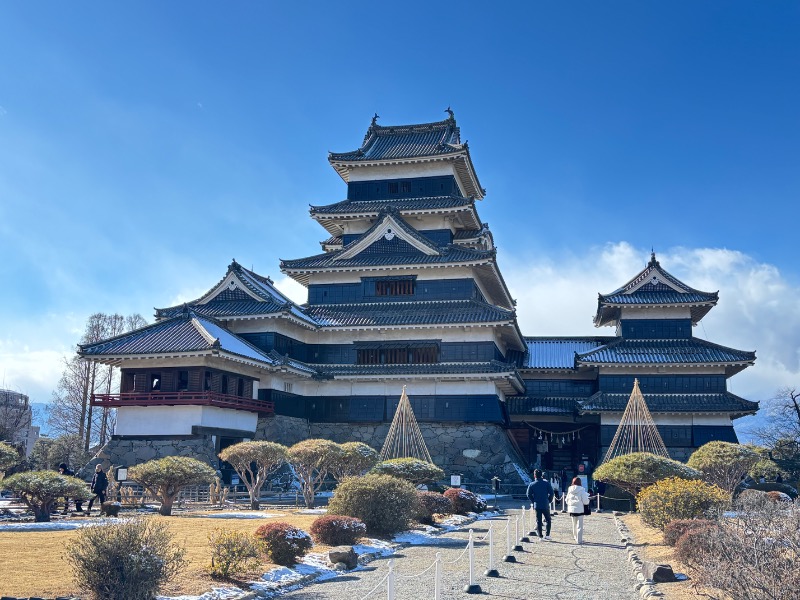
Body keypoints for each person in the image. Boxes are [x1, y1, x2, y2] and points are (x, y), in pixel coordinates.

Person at [526, 469, 554, 540]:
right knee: (548, 519)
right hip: (545, 503)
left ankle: (540, 536)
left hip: (537, 504)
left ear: (534, 475)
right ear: (541, 475)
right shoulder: (546, 483)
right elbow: (551, 493)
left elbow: (528, 494)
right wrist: (549, 500)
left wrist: (533, 500)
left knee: (538, 521)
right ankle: (547, 535)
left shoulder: (532, 484)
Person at [566, 476, 590, 544]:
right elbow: (585, 501)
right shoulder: (582, 490)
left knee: (574, 524)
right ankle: (579, 540)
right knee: (579, 525)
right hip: (580, 509)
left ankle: (575, 537)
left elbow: (567, 500)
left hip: (572, 509)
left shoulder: (569, 490)